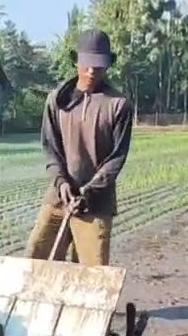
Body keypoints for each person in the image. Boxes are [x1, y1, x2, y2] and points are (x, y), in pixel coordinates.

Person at [24, 29, 134, 267]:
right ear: (76, 60)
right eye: (87, 63)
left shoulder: (119, 105)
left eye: (99, 65)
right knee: (35, 258)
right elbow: (50, 147)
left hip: (96, 203)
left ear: (108, 65)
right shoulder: (57, 100)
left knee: (92, 272)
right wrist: (61, 183)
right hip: (58, 197)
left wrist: (88, 192)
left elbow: (116, 159)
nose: (92, 70)